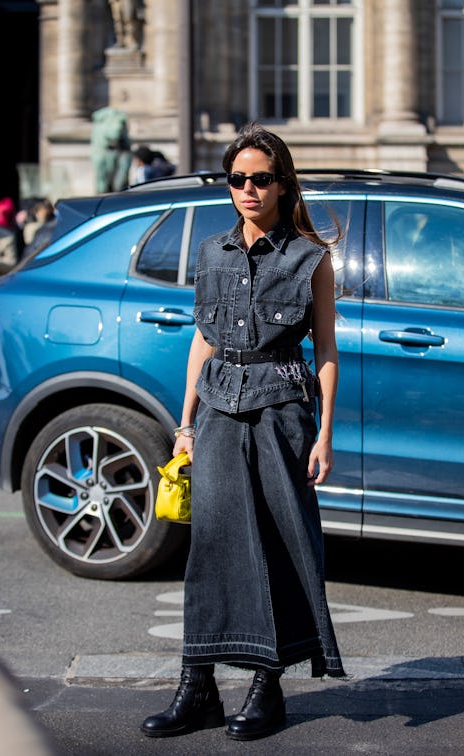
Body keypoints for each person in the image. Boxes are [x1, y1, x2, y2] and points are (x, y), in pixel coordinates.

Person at [141, 122, 345, 742]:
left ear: (282, 184)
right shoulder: (211, 253)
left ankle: (267, 685)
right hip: (219, 413)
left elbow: (328, 350)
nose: (248, 189)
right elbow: (202, 339)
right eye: (237, 180)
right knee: (212, 550)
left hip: (283, 415)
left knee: (278, 546)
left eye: (260, 178)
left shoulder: (311, 259)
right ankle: (195, 684)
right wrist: (184, 425)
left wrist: (325, 434)